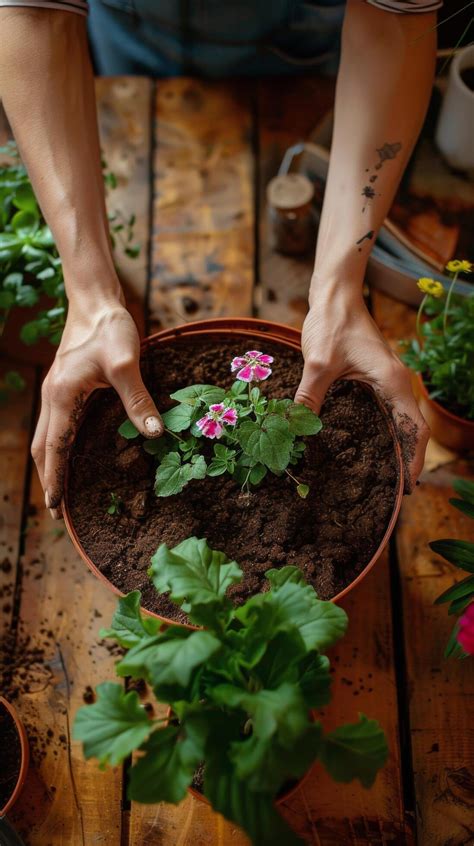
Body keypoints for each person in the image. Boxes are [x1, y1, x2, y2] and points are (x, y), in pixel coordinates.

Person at [0, 0, 438, 518]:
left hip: (304, 47)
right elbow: (36, 11)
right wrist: (91, 297)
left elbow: (392, 15)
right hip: (136, 38)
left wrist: (339, 292)